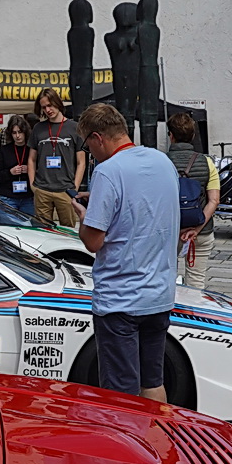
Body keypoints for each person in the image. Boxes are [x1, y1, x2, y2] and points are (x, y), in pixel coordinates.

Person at [77, 102, 182, 401]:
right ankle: (154, 442)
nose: (89, 152)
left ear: (98, 137)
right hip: (159, 294)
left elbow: (94, 241)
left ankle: (127, 446)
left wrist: (84, 217)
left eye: (87, 145)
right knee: (153, 381)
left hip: (120, 299)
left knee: (120, 395)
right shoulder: (163, 162)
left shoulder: (108, 172)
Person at [165, 111, 221, 289]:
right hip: (201, 232)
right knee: (196, 282)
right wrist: (196, 229)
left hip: (169, 232)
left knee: (165, 279)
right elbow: (214, 200)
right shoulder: (207, 162)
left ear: (171, 135)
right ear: (193, 136)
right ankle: (193, 313)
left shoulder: (160, 162)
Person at [27, 86, 86, 228]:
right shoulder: (38, 128)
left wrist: (74, 188)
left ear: (57, 103)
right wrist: (33, 184)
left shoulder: (74, 128)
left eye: (50, 105)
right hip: (42, 189)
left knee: (68, 231)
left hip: (65, 190)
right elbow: (31, 159)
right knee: (42, 231)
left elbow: (81, 162)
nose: (48, 110)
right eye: (44, 107)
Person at [0, 115, 35, 214]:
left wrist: (30, 170)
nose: (17, 136)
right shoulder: (4, 150)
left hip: (28, 197)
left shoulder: (32, 150)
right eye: (14, 133)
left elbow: (41, 172)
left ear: (25, 132)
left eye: (20, 132)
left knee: (28, 226)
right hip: (8, 197)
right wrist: (10, 172)